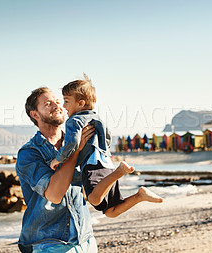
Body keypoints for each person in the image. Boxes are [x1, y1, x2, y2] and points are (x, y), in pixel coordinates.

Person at [50, 74, 164, 218]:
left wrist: (58, 159)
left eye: (66, 101)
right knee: (111, 211)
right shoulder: (97, 118)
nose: (64, 105)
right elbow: (108, 137)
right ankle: (140, 195)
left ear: (80, 103)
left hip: (93, 165)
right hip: (106, 164)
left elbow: (71, 143)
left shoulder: (74, 121)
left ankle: (120, 172)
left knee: (93, 199)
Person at [16, 87, 97, 253]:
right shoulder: (29, 153)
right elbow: (54, 194)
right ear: (35, 114)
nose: (57, 106)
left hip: (86, 238)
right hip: (50, 244)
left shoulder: (80, 139)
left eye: (57, 101)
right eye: (48, 104)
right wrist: (75, 150)